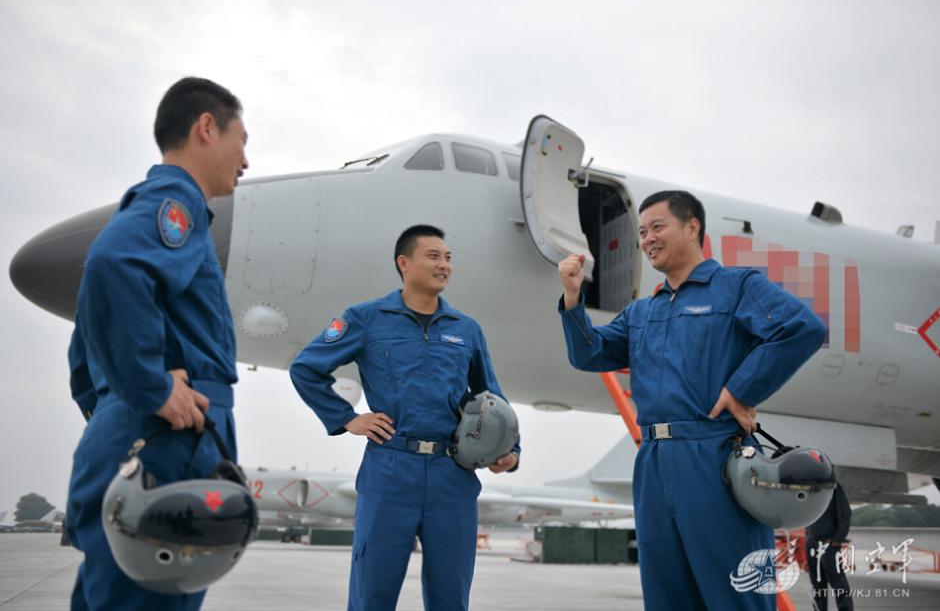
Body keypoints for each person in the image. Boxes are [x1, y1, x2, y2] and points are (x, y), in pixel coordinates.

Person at [557, 190, 826, 610]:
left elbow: (801, 328)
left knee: (737, 591)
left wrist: (742, 388)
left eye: (657, 227)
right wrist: (572, 299)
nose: (647, 239)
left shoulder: (737, 286)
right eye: (642, 232)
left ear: (692, 227)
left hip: (714, 455)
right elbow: (588, 353)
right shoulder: (641, 312)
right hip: (653, 459)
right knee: (666, 593)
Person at [66, 77, 249, 611]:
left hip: (133, 431)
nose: (246, 160)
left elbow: (85, 349)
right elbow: (114, 267)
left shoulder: (139, 212)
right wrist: (149, 392)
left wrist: (116, 409)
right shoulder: (175, 202)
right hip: (168, 435)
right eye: (242, 139)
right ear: (206, 128)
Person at [290, 224, 520, 611]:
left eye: (448, 258)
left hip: (453, 476)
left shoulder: (466, 329)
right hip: (390, 469)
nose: (444, 265)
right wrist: (347, 418)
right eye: (433, 256)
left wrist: (510, 452)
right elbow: (306, 368)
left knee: (451, 595)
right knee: (372, 592)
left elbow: (492, 398)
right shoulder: (366, 319)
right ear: (404, 262)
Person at [806, 484, 854, 610]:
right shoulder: (809, 488)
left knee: (838, 582)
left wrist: (838, 538)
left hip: (829, 543)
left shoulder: (834, 487)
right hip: (812, 543)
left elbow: (845, 513)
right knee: (817, 585)